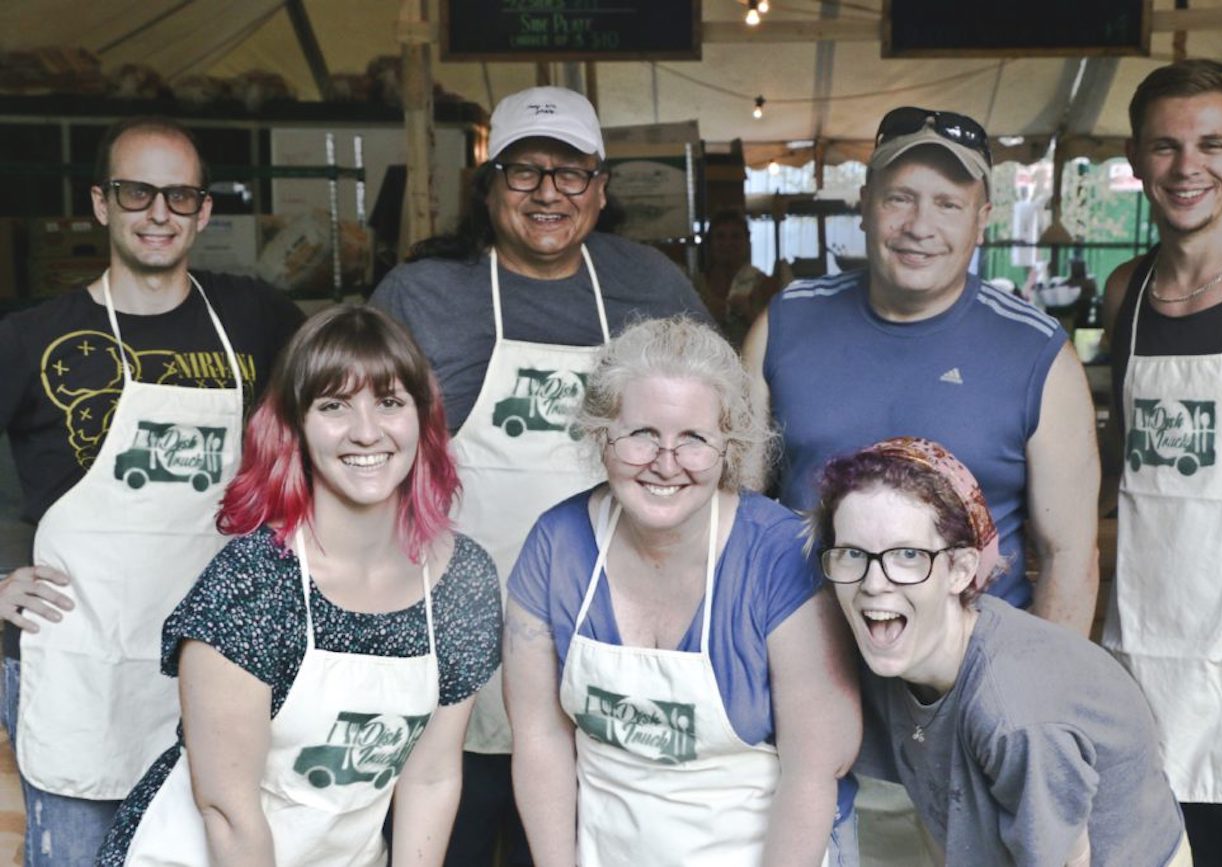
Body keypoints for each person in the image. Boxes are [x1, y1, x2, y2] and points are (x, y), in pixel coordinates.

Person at [370, 85, 711, 864]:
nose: (548, 192)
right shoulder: (423, 294)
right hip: (443, 631)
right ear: (488, 184)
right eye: (524, 171)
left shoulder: (651, 285)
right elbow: (346, 445)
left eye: (571, 172)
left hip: (603, 634)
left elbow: (714, 435)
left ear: (601, 186)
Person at [95, 304, 501, 865]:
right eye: (334, 406)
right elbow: (227, 811)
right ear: (295, 427)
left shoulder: (463, 582)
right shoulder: (253, 583)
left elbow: (430, 778)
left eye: (389, 402)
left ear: (422, 418)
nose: (366, 432)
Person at [0, 116, 304, 865]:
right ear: (102, 203)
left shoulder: (255, 318)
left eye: (179, 195)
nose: (158, 213)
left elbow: (333, 414)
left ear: (204, 211)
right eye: (138, 192)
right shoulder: (32, 336)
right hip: (78, 651)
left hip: (222, 652)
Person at [503, 316, 861, 866]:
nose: (666, 464)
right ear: (602, 434)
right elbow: (539, 743)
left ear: (730, 447)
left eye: (694, 438)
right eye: (643, 434)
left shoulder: (779, 556)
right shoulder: (557, 547)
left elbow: (813, 773)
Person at [744, 107, 1099, 635]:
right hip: (809, 659)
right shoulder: (785, 324)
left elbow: (1069, 555)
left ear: (982, 220)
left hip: (972, 677)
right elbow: (732, 519)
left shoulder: (1037, 353)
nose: (919, 227)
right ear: (865, 205)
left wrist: (1041, 697)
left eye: (948, 204)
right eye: (899, 198)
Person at [812, 436, 1190, 867]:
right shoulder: (902, 654)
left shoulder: (1012, 712)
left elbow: (1067, 861)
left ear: (960, 571)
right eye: (852, 554)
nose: (873, 582)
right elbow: (947, 825)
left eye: (908, 555)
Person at [1101, 59, 1222, 866]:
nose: (1188, 169)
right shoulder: (1126, 293)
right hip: (1149, 685)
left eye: (1212, 144)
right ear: (1136, 156)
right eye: (1165, 147)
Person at [694, 209, 780, 345]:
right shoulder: (696, 286)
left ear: (747, 241)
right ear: (710, 243)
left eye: (735, 236)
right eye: (720, 236)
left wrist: (748, 313)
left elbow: (777, 338)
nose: (728, 243)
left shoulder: (765, 285)